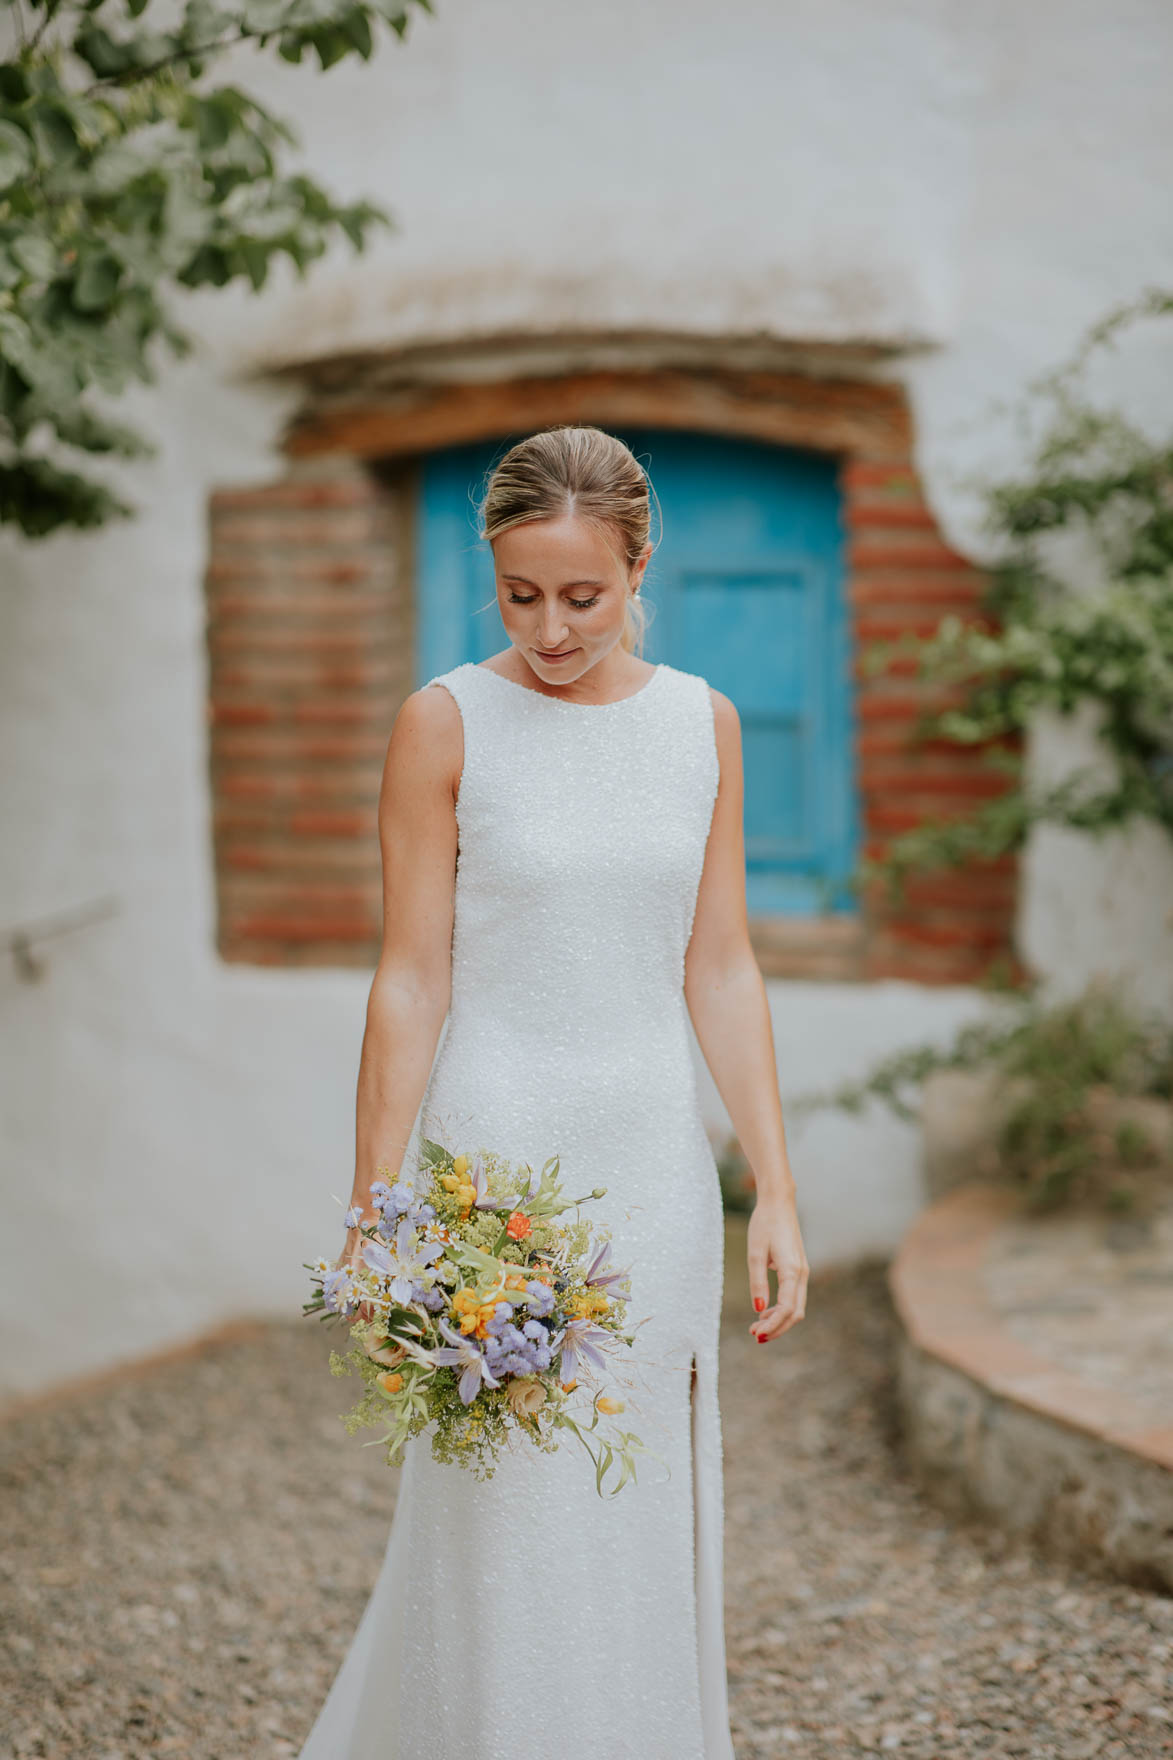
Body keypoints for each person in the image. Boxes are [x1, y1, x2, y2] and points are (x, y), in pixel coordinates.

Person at [297, 424, 809, 1760]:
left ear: (638, 563)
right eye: (521, 594)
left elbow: (720, 965)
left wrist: (775, 1191)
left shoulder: (701, 723)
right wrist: (376, 1205)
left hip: (646, 1162)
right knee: (500, 1508)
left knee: (628, 1497)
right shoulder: (442, 721)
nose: (550, 626)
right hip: (494, 1160)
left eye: (581, 595)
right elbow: (410, 977)